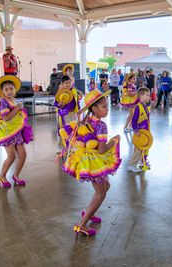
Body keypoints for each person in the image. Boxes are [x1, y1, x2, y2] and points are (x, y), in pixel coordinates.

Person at [62, 89, 121, 236]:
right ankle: (82, 224)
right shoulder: (101, 125)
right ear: (94, 108)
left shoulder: (85, 121)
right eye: (104, 107)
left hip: (85, 159)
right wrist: (113, 141)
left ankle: (88, 211)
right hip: (93, 161)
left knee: (105, 185)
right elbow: (101, 150)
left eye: (107, 106)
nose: (107, 109)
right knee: (101, 194)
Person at [0, 75, 33, 188]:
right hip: (6, 133)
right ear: (3, 92)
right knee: (11, 156)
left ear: (15, 90)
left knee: (23, 154)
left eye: (11, 89)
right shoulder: (3, 102)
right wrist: (18, 108)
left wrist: (18, 107)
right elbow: (6, 118)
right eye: (6, 89)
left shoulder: (14, 101)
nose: (9, 91)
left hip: (16, 132)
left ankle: (16, 175)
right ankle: (2, 175)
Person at [54, 75, 82, 152]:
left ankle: (72, 146)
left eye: (69, 82)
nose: (68, 84)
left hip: (73, 114)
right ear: (62, 84)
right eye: (66, 83)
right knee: (62, 130)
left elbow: (77, 102)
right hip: (63, 114)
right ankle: (60, 147)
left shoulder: (73, 91)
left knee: (73, 130)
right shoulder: (60, 92)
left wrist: (78, 111)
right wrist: (60, 104)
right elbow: (56, 104)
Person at [127, 87, 151, 173]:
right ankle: (131, 165)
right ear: (141, 96)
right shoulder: (138, 107)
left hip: (145, 133)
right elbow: (134, 120)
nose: (149, 97)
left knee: (144, 148)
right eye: (147, 95)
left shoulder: (145, 106)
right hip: (139, 133)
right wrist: (136, 131)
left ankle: (142, 161)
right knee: (137, 150)